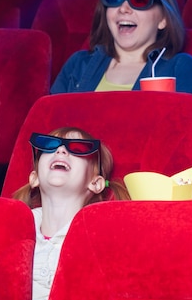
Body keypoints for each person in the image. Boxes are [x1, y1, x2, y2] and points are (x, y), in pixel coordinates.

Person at [51, 0, 192, 97]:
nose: (124, 8)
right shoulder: (78, 64)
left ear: (163, 19)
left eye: (139, 0)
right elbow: (47, 125)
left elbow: (187, 128)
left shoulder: (179, 67)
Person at [12, 126, 130, 300]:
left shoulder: (99, 237)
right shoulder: (13, 228)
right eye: (49, 145)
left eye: (78, 148)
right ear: (34, 178)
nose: (60, 150)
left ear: (95, 183)